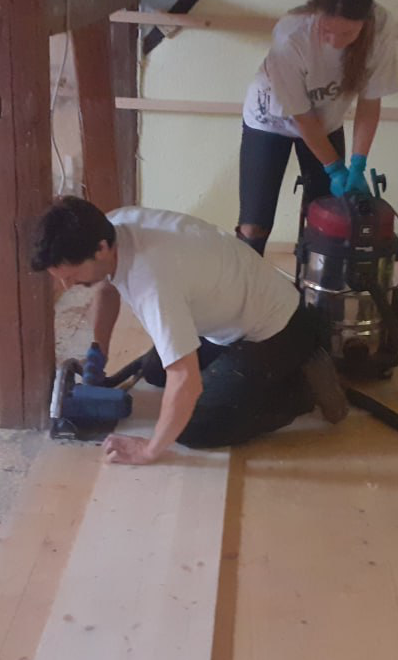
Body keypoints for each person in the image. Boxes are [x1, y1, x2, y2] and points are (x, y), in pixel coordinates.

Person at [31, 196, 348, 465]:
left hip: (276, 329)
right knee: (154, 371)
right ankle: (267, 370)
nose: (67, 286)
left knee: (193, 426)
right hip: (233, 310)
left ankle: (300, 387)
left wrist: (150, 449)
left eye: (71, 276)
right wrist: (97, 353)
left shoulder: (151, 281)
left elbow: (185, 379)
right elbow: (107, 288)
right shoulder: (113, 226)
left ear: (101, 249)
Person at [237, 0, 398, 255]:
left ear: (364, 22)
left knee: (327, 219)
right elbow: (301, 115)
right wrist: (335, 168)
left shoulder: (380, 27)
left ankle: (313, 282)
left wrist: (358, 164)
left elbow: (370, 101)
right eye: (327, 31)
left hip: (325, 121)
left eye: (347, 33)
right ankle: (245, 282)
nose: (336, 42)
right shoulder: (291, 35)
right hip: (270, 120)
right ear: (315, 13)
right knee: (254, 225)